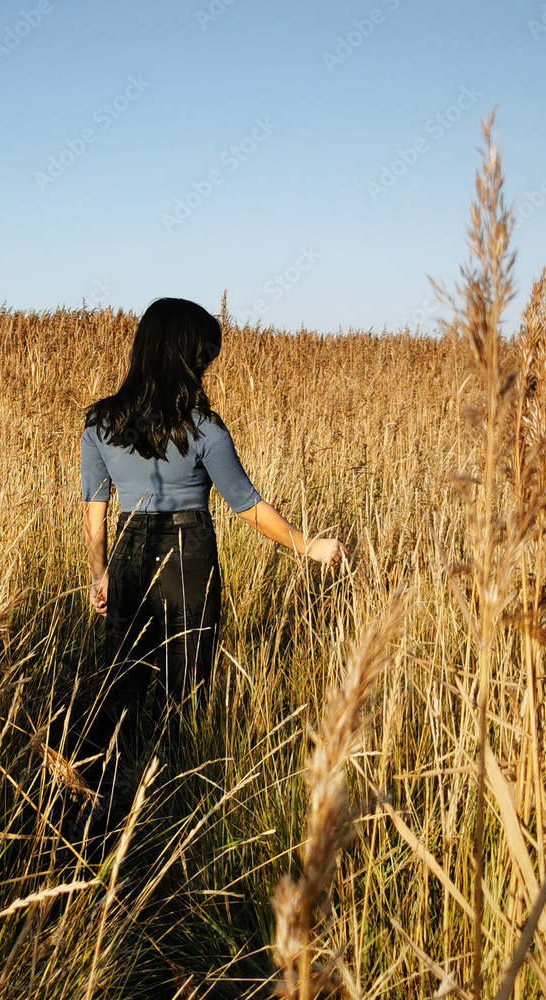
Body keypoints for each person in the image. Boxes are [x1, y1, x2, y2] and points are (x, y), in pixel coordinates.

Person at [81, 297, 347, 756]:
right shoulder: (204, 428)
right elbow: (247, 506)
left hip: (128, 556)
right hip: (188, 559)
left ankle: (109, 790)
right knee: (184, 695)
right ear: (183, 357)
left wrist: (99, 574)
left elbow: (95, 512)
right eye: (202, 359)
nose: (205, 369)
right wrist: (308, 546)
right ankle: (175, 794)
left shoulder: (101, 423)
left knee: (121, 688)